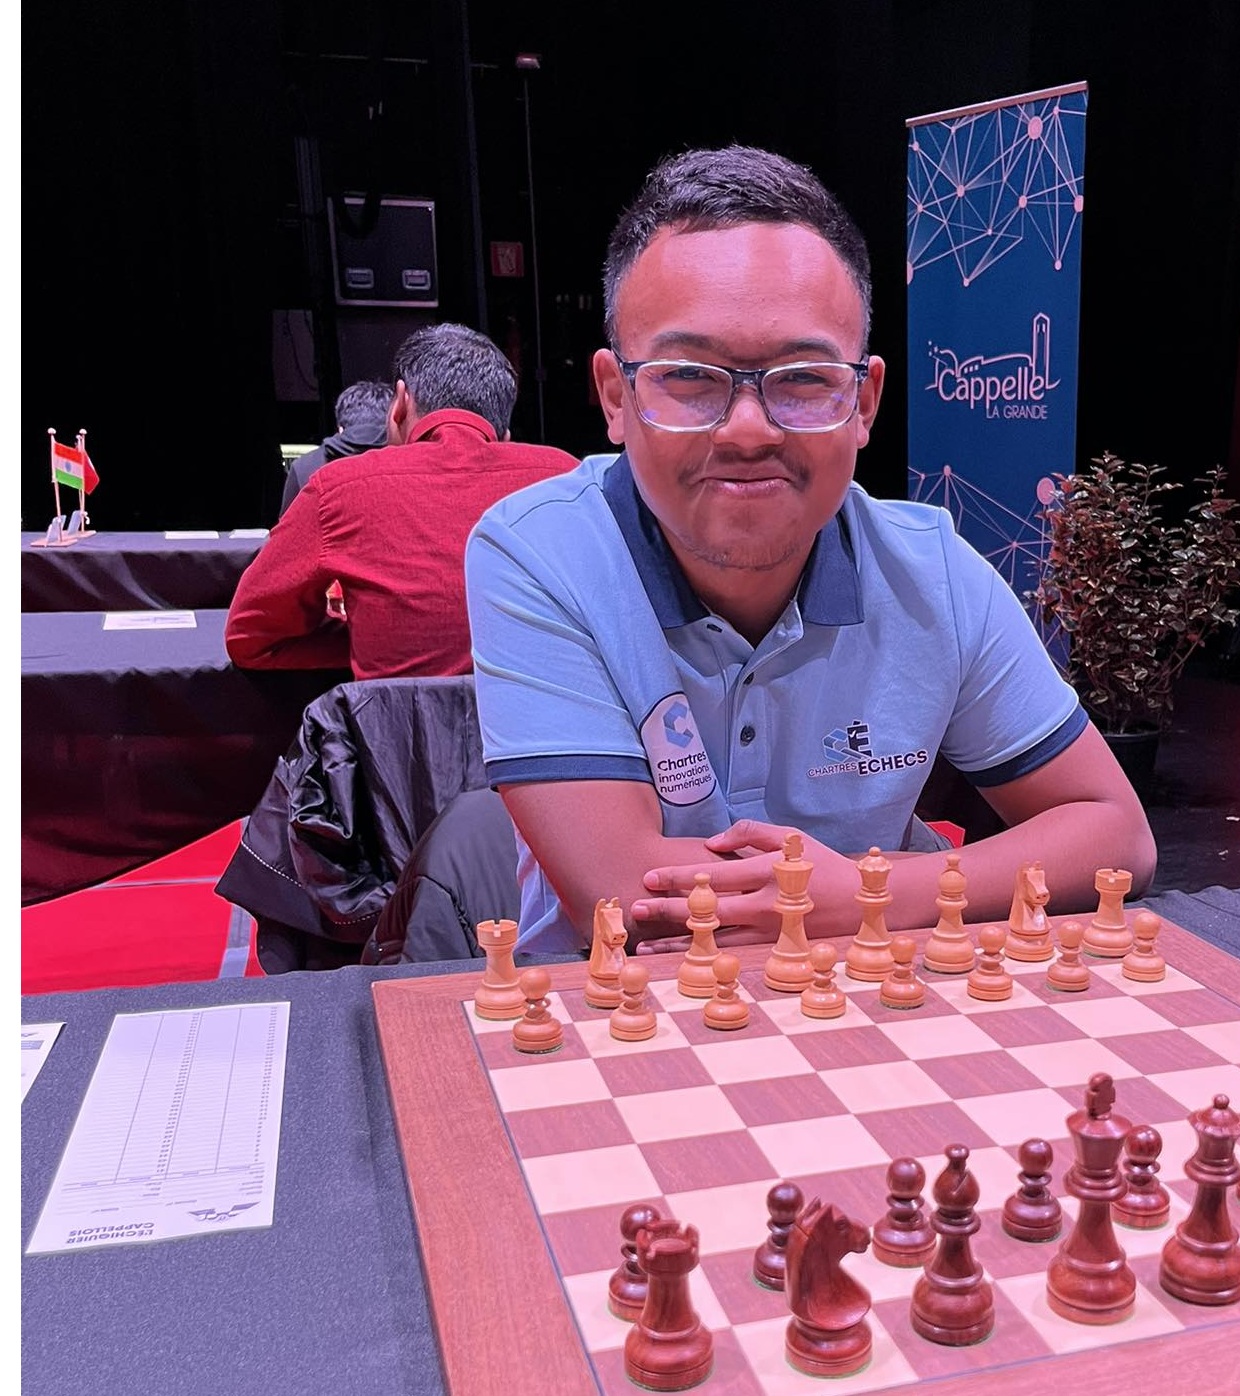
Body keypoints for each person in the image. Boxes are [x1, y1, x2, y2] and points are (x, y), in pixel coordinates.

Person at [464, 145, 1155, 957]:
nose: (747, 430)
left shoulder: (931, 571)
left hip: (869, 999)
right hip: (616, 1006)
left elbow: (1116, 836)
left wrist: (866, 894)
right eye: (689, 377)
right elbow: (622, 896)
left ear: (863, 403)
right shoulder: (537, 554)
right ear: (616, 397)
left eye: (800, 378)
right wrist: (869, 890)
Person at [227, 322, 577, 679]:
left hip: (396, 717)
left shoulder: (339, 486)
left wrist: (369, 639)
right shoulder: (566, 480)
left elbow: (249, 638)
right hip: (547, 715)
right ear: (505, 436)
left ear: (399, 404)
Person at [278, 378, 396, 517]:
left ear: (340, 428)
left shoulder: (304, 467)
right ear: (392, 422)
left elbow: (288, 527)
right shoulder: (406, 462)